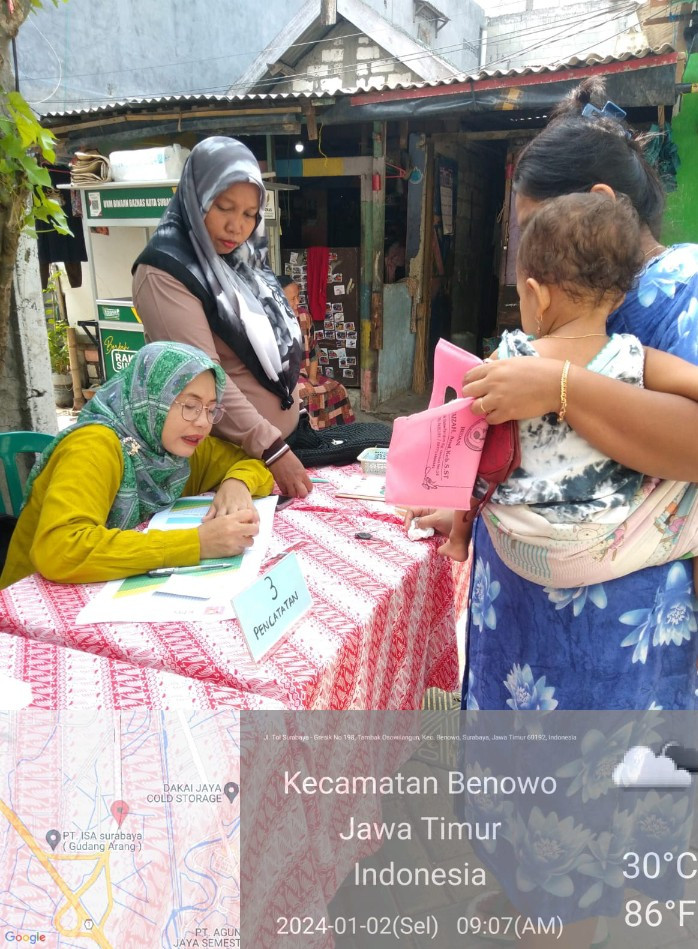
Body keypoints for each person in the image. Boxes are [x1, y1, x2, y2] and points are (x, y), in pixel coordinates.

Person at [411, 78, 698, 715]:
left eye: (531, 229)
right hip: (520, 626)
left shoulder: (686, 291)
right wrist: (469, 510)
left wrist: (560, 386)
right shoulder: (598, 310)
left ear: (597, 204)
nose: (526, 264)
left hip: (613, 651)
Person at [440, 192, 698, 595]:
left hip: (516, 543)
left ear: (537, 295)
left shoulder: (509, 358)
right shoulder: (634, 356)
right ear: (619, 296)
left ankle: (457, 541)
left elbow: (467, 455)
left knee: (478, 448)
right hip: (598, 547)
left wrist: (459, 534)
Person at [0, 342, 273, 589]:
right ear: (150, 398)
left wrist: (237, 483)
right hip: (28, 610)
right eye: (190, 405)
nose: (202, 422)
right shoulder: (93, 446)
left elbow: (252, 464)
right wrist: (198, 543)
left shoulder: (178, 449)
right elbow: (60, 549)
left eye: (211, 409)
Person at [132, 136, 313, 500]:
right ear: (195, 198)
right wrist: (271, 446)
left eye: (249, 214)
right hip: (224, 466)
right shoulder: (166, 273)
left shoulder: (242, 262)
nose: (237, 227)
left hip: (270, 454)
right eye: (224, 207)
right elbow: (203, 377)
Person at [278, 275, 356, 430]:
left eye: (298, 297)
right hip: (285, 380)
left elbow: (313, 348)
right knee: (308, 395)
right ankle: (314, 439)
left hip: (306, 374)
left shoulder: (304, 317)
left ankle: (341, 434)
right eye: (292, 299)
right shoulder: (272, 323)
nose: (297, 302)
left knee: (339, 390)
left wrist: (313, 377)